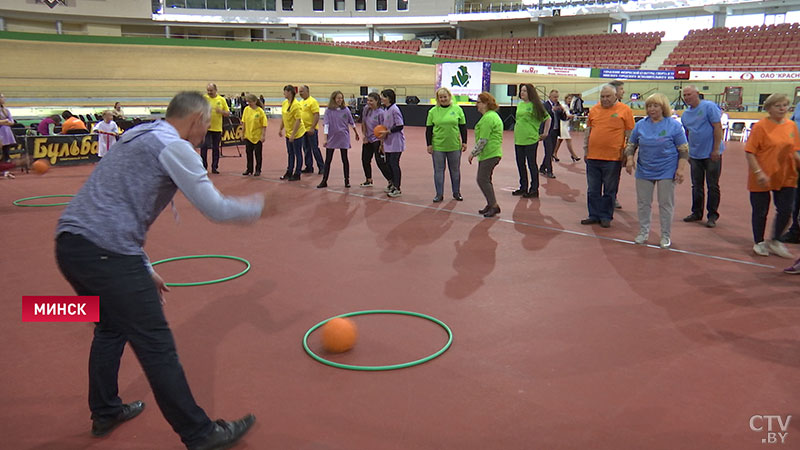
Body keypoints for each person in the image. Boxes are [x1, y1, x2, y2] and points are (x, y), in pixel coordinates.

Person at [54, 92, 260, 450]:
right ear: (196, 120)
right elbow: (217, 209)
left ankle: (105, 410)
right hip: (108, 253)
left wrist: (143, 266)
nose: (208, 129)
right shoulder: (174, 147)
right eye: (207, 121)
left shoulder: (139, 134)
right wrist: (262, 206)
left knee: (109, 330)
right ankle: (200, 433)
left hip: (72, 246)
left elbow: (114, 200)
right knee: (156, 346)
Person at [624, 93, 689, 249]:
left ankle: (665, 235)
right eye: (649, 106)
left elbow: (683, 149)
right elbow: (631, 144)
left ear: (663, 107)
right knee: (643, 203)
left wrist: (681, 169)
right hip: (644, 169)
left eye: (655, 106)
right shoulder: (640, 125)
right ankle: (643, 232)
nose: (651, 109)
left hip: (666, 169)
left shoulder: (673, 126)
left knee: (665, 204)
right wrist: (630, 159)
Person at [744, 93, 800, 263]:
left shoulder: (791, 126)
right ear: (768, 108)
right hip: (763, 175)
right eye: (778, 106)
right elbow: (750, 152)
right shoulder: (761, 126)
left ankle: (775, 239)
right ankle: (759, 241)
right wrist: (758, 172)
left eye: (785, 105)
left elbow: (795, 150)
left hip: (786, 175)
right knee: (761, 211)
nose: (782, 108)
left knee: (786, 209)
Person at [581, 84, 635, 228]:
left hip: (613, 158)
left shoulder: (625, 110)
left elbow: (631, 136)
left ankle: (605, 216)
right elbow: (588, 132)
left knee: (610, 190)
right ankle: (593, 214)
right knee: (593, 189)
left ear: (615, 96)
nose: (604, 99)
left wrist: (628, 155)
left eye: (608, 96)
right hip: (593, 157)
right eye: (602, 97)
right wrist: (586, 151)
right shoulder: (594, 110)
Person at [681, 85, 724, 228]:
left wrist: (716, 149)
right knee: (696, 185)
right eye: (685, 95)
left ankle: (712, 215)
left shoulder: (709, 107)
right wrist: (688, 152)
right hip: (695, 154)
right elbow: (687, 133)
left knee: (712, 185)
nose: (687, 97)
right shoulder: (685, 115)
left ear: (697, 94)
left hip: (711, 153)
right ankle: (696, 212)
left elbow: (717, 127)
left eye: (689, 94)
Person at [426, 87, 467, 202]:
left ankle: (456, 192)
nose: (443, 99)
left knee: (455, 170)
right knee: (438, 170)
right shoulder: (433, 111)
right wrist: (429, 144)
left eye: (445, 97)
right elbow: (429, 129)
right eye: (441, 97)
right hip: (438, 146)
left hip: (454, 146)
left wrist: (464, 142)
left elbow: (462, 127)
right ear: (438, 99)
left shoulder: (458, 109)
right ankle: (439, 194)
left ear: (449, 97)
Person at [469, 92, 503, 218]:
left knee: (482, 179)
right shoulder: (492, 116)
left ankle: (494, 205)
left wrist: (472, 153)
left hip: (490, 153)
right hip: (491, 153)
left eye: (478, 102)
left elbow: (483, 140)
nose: (476, 105)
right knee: (485, 179)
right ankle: (490, 203)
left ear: (485, 104)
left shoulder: (488, 118)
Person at [512, 83, 549, 198]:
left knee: (531, 164)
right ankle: (523, 187)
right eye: (521, 91)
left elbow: (547, 118)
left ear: (530, 93)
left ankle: (534, 189)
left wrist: (545, 133)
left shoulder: (535, 105)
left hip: (530, 139)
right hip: (519, 139)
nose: (522, 93)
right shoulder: (520, 105)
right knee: (520, 164)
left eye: (525, 91)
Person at [318, 90, 360, 188]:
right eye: (338, 98)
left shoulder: (346, 110)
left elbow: (351, 122)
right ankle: (324, 180)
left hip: (343, 137)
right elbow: (326, 125)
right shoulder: (328, 111)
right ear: (334, 99)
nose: (340, 100)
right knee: (328, 160)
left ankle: (347, 181)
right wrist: (325, 138)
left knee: (344, 159)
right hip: (332, 137)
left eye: (341, 98)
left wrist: (356, 133)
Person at [358, 92, 392, 188]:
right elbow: (363, 122)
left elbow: (383, 128)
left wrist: (382, 144)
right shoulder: (366, 109)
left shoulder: (381, 113)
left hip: (377, 139)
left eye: (371, 101)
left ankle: (391, 181)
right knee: (365, 159)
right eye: (368, 100)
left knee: (380, 162)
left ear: (377, 101)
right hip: (368, 139)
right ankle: (368, 180)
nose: (369, 102)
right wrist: (364, 136)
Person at [779, 105, 800, 244]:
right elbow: (790, 126)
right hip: (796, 159)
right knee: (796, 198)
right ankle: (795, 231)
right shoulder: (799, 106)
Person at [379, 89, 405, 198]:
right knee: (388, 163)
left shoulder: (395, 109)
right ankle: (392, 184)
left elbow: (400, 125)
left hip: (396, 142)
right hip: (388, 142)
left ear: (389, 98)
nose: (381, 99)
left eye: (383, 97)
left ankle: (397, 188)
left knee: (394, 164)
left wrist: (387, 132)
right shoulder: (385, 109)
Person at [200, 83, 230, 174]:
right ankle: (203, 166)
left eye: (211, 90)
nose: (209, 92)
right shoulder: (204, 98)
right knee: (204, 147)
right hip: (206, 127)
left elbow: (228, 113)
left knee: (216, 148)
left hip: (217, 128)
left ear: (216, 90)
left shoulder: (221, 99)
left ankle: (214, 167)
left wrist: (221, 111)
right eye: (208, 90)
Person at [278, 85, 306, 181]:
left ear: (289, 92)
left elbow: (298, 120)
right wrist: (281, 129)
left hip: (297, 133)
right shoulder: (285, 103)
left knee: (297, 153)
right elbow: (284, 117)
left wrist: (293, 134)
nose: (284, 93)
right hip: (288, 132)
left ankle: (297, 173)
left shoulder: (296, 105)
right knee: (290, 153)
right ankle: (289, 171)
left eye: (285, 91)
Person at [298, 85, 325, 174]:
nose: (300, 93)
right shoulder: (301, 102)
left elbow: (316, 115)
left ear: (307, 91)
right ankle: (309, 167)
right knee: (306, 149)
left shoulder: (312, 102)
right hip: (303, 130)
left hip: (311, 129)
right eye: (299, 91)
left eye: (302, 91)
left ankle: (322, 167)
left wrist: (312, 127)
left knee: (314, 149)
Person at [240, 94, 268, 177]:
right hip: (248, 135)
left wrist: (263, 136)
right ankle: (249, 169)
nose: (248, 103)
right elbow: (243, 122)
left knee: (258, 154)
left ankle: (258, 169)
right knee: (249, 153)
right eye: (247, 102)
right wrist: (242, 133)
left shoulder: (260, 111)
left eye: (250, 102)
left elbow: (264, 124)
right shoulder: (246, 110)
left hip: (257, 136)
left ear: (255, 101)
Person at [541, 89, 565, 179]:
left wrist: (562, 111)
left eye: (557, 97)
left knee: (550, 152)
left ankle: (542, 167)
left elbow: (563, 118)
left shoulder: (558, 105)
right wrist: (552, 110)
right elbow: (544, 116)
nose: (556, 99)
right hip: (547, 131)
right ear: (550, 96)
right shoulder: (545, 105)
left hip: (555, 131)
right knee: (548, 151)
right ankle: (549, 171)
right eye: (554, 97)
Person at [553, 94, 580, 163]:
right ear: (565, 99)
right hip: (562, 124)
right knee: (568, 139)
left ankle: (554, 153)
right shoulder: (564, 106)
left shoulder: (568, 106)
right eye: (568, 99)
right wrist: (574, 116)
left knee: (560, 140)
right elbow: (567, 115)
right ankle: (573, 155)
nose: (570, 100)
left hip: (565, 124)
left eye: (571, 99)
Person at [0, 93, 16, 178]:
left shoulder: (6, 110)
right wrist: (4, 121)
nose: (4, 98)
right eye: (2, 97)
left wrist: (5, 122)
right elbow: (6, 121)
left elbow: (12, 122)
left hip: (7, 133)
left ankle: (6, 171)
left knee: (6, 153)